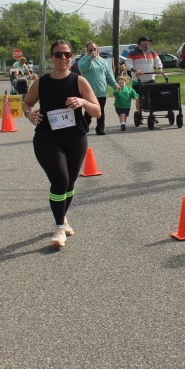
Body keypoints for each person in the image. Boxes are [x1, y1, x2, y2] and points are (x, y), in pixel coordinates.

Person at [22, 40, 101, 248]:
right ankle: (59, 228)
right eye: (58, 54)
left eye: (67, 54)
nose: (63, 58)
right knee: (60, 181)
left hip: (75, 138)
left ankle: (63, 218)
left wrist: (83, 102)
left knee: (70, 183)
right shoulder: (41, 83)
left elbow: (97, 111)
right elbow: (27, 102)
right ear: (51, 58)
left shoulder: (79, 81)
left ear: (71, 57)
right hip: (47, 138)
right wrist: (29, 114)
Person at [77, 41, 118, 135]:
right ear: (87, 51)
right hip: (89, 92)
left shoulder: (102, 61)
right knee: (89, 111)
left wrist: (115, 85)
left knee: (100, 110)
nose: (93, 51)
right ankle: (84, 128)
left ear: (98, 50)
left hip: (102, 91)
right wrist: (90, 58)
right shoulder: (83, 60)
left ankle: (100, 129)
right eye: (90, 50)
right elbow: (83, 68)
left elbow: (109, 75)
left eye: (94, 49)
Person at [125, 36, 162, 114]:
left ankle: (152, 115)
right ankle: (139, 114)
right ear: (141, 42)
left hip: (150, 79)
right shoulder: (133, 53)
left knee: (153, 97)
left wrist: (159, 68)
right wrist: (136, 71)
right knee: (138, 98)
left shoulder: (152, 52)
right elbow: (128, 65)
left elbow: (158, 62)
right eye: (147, 41)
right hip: (137, 81)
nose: (149, 43)